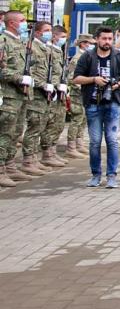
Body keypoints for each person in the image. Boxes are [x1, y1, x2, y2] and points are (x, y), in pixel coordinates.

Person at [72, 26, 120, 188]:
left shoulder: (118, 56)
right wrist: (94, 79)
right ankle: (95, 174)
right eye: (104, 38)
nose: (107, 42)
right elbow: (76, 78)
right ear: (97, 39)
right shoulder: (87, 56)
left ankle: (111, 175)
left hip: (112, 103)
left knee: (112, 140)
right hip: (92, 104)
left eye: (110, 39)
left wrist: (118, 84)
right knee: (95, 141)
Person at [0, 10, 33, 187]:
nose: (25, 23)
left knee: (16, 132)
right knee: (5, 133)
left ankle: (10, 166)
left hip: (20, 95)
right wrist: (19, 78)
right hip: (8, 95)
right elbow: (1, 70)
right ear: (12, 23)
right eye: (22, 20)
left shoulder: (20, 42)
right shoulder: (3, 41)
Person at [24, 21, 59, 174]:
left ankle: (34, 159)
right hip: (36, 94)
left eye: (50, 30)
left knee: (40, 127)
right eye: (47, 30)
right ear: (38, 33)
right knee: (34, 127)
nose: (50, 33)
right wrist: (43, 84)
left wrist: (52, 85)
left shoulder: (46, 48)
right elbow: (29, 71)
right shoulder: (32, 47)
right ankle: (27, 161)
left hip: (45, 95)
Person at [38, 24, 69, 167]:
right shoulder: (48, 50)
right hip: (51, 93)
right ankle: (46, 154)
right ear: (55, 36)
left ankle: (52, 151)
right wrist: (54, 86)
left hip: (59, 92)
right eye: (62, 37)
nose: (64, 39)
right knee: (49, 124)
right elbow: (47, 73)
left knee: (58, 124)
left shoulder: (58, 51)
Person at [63, 33, 95, 160]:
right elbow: (71, 78)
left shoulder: (88, 57)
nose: (91, 46)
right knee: (77, 118)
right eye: (89, 43)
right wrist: (82, 87)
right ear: (82, 44)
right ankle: (71, 147)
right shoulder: (77, 59)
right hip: (78, 94)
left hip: (86, 93)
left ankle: (79, 142)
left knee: (83, 118)